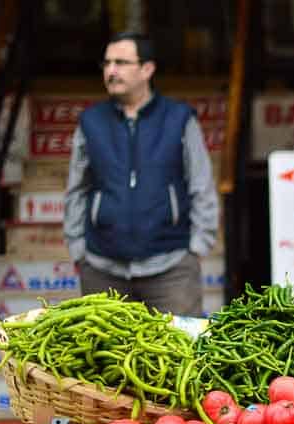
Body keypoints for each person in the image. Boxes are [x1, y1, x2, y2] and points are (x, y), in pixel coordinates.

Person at [64, 32, 219, 317]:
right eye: (107, 63)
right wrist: (78, 250)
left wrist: (197, 247)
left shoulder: (179, 118)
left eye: (121, 62)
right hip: (102, 268)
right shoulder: (91, 121)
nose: (111, 71)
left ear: (147, 69)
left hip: (171, 269)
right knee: (106, 359)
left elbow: (201, 184)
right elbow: (77, 188)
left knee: (179, 355)